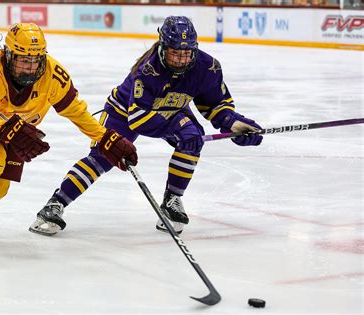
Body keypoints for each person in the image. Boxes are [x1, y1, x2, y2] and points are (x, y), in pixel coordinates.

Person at [29, 16, 263, 236]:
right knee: (103, 157)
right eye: (175, 53)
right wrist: (177, 129)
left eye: (186, 53)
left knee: (192, 138)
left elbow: (214, 104)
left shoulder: (207, 67)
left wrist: (232, 123)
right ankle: (55, 204)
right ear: (162, 47)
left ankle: (172, 201)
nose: (181, 60)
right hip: (124, 113)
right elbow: (139, 118)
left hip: (171, 110)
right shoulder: (148, 70)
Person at [0, 23, 138, 254]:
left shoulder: (52, 74)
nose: (31, 67)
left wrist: (106, 138)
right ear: (9, 55)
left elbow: (76, 111)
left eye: (36, 60)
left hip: (20, 133)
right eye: (24, 60)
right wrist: (7, 129)